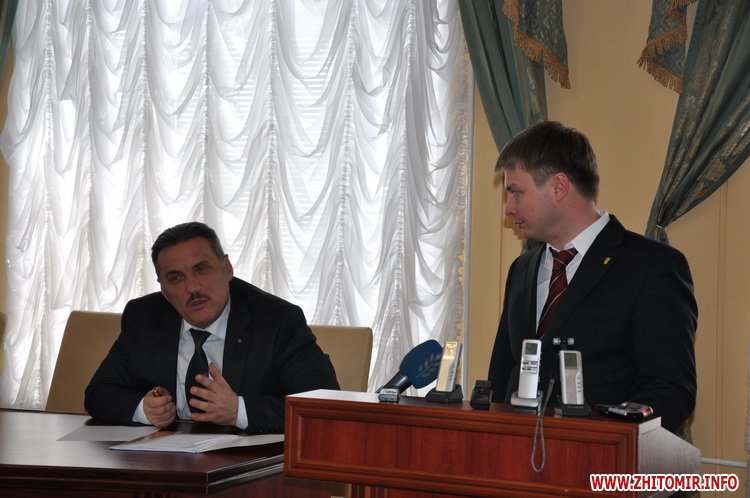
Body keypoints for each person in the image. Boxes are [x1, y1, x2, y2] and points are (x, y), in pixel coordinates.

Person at [487, 121, 697, 434]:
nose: (509, 209)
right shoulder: (522, 269)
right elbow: (502, 378)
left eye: (516, 192)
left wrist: (600, 440)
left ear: (558, 187)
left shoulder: (653, 267)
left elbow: (670, 392)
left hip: (605, 459)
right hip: (518, 457)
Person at [85, 222, 339, 432]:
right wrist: (144, 408)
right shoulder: (144, 317)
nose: (192, 287)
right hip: (164, 465)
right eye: (175, 277)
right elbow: (98, 394)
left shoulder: (277, 320)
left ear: (226, 268)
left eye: (201, 269)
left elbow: (323, 407)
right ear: (163, 289)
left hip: (247, 467)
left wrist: (238, 411)